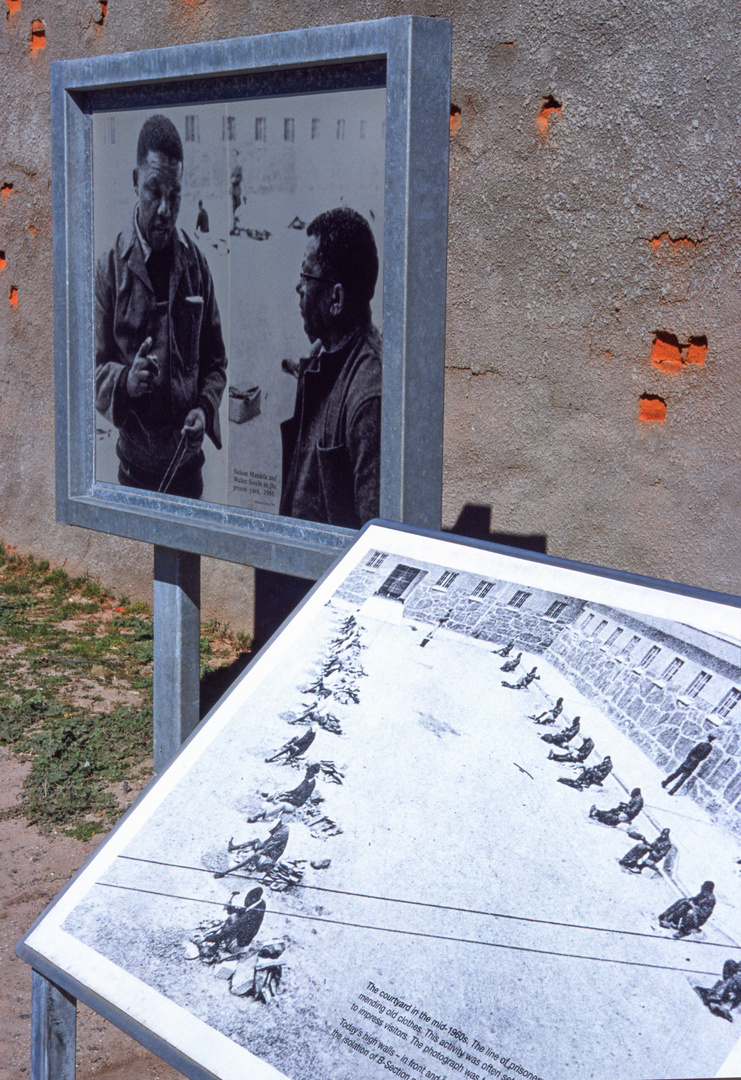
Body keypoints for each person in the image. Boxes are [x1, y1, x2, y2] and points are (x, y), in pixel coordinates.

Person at [95, 115, 227, 498]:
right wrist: (124, 381)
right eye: (155, 191)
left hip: (187, 472)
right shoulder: (109, 267)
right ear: (136, 183)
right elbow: (91, 367)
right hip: (133, 473)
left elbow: (216, 360)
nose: (166, 210)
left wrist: (204, 408)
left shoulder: (196, 265)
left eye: (176, 194)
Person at [279, 207, 381, 528]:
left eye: (306, 276)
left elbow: (370, 539)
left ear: (335, 299)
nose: (299, 287)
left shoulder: (369, 398)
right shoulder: (323, 355)